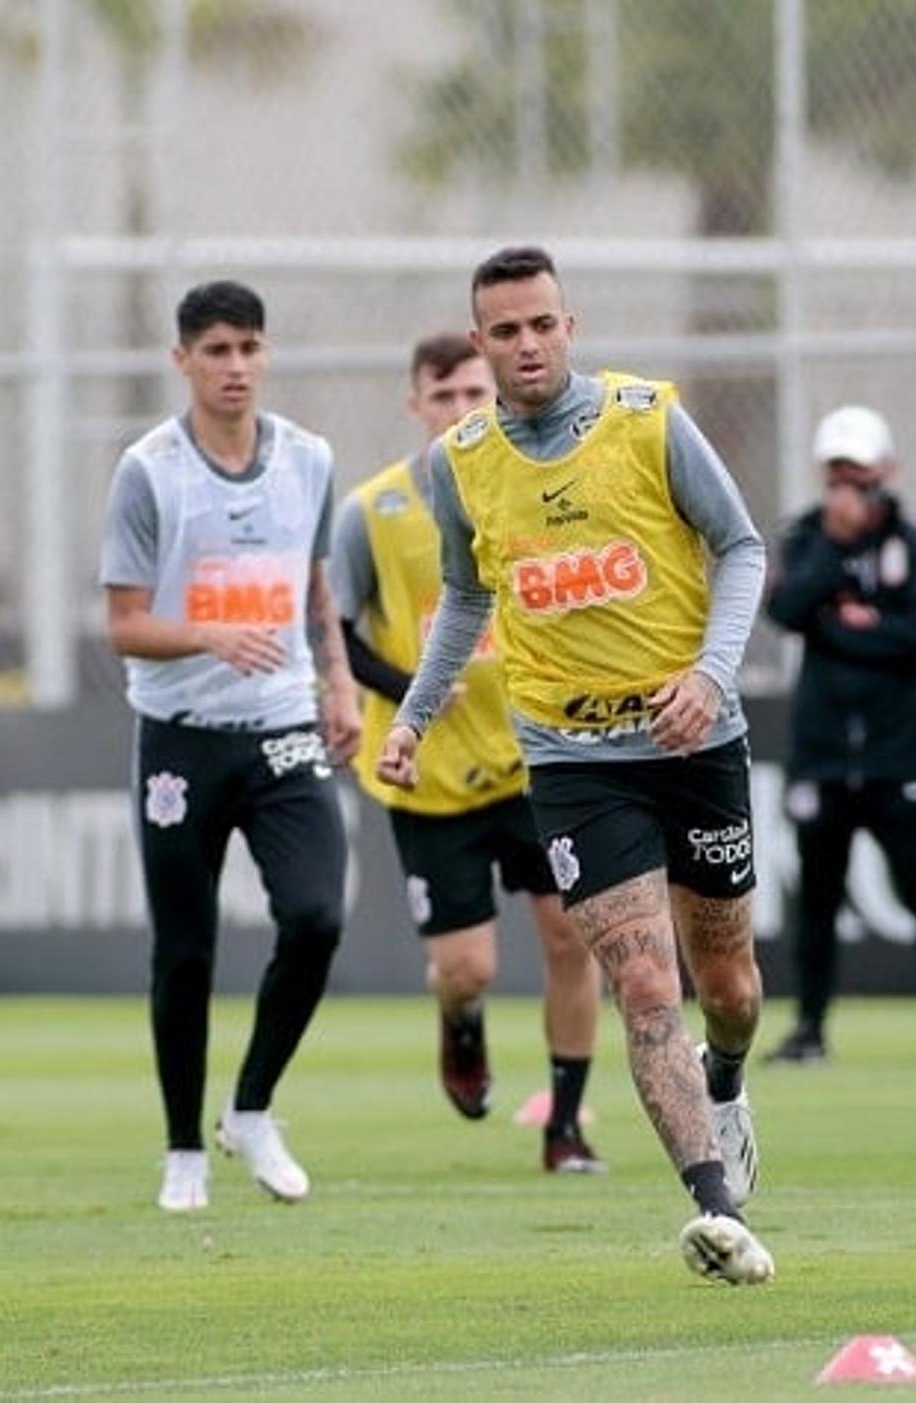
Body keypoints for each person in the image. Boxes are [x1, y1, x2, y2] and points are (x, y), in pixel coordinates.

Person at [375, 246, 774, 1285]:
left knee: (727, 987)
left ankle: (726, 1080)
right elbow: (466, 596)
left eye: (542, 324)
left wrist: (710, 672)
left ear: (570, 324)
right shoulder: (457, 462)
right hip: (570, 755)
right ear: (480, 342)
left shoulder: (647, 418)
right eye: (503, 330)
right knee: (646, 980)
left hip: (694, 739)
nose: (526, 344)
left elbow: (741, 545)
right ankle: (716, 1206)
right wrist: (415, 716)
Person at [99, 279, 362, 1213]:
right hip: (182, 737)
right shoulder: (151, 471)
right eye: (216, 350)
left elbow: (317, 584)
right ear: (183, 360)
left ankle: (251, 1107)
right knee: (185, 948)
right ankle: (183, 1150)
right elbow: (124, 624)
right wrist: (208, 634)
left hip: (283, 728)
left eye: (249, 347)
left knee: (318, 916)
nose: (236, 367)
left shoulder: (308, 459)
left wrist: (338, 683)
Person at [332, 332, 605, 1174]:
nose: (457, 411)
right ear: (416, 405)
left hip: (537, 759)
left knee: (572, 937)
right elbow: (334, 634)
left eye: (471, 396)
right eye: (441, 397)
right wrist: (410, 685)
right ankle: (460, 1022)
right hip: (431, 780)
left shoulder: (536, 492)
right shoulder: (370, 513)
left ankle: (564, 1127)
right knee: (467, 966)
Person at [762, 405, 916, 1065]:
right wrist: (832, 554)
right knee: (817, 897)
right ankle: (809, 1026)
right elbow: (787, 609)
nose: (846, 488)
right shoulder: (803, 539)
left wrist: (846, 626)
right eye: (835, 476)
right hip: (823, 752)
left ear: (885, 471)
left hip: (896, 750)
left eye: (857, 474)